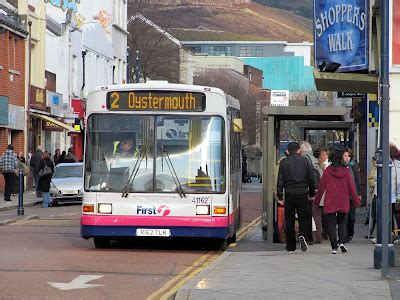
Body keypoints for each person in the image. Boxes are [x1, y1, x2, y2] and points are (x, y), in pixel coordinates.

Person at [314, 149, 361, 254]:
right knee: (342, 223)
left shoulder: (327, 171)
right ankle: (342, 242)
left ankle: (334, 247)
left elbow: (321, 188)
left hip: (331, 200)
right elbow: (352, 188)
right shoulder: (346, 171)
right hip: (343, 200)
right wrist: (356, 201)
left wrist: (317, 201)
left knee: (331, 224)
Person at [277, 142, 315, 253]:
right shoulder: (305, 161)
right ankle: (302, 235)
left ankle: (290, 247)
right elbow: (311, 179)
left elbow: (280, 181)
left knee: (289, 220)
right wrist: (311, 194)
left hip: (289, 193)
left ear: (288, 151)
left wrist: (280, 196)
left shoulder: (284, 162)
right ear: (299, 150)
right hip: (303, 192)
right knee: (304, 217)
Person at [300, 141, 319, 244]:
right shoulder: (315, 160)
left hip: (307, 190)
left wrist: (310, 193)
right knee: (313, 215)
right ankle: (314, 237)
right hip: (316, 189)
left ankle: (308, 237)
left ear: (303, 150)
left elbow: (309, 178)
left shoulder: (305, 160)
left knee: (307, 215)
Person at [342, 148, 362, 243]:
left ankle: (350, 233)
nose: (347, 158)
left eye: (348, 156)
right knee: (344, 216)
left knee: (351, 217)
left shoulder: (353, 166)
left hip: (353, 194)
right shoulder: (340, 166)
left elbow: (357, 180)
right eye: (345, 156)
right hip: (343, 194)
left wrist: (359, 193)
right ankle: (344, 235)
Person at [312, 147, 330, 243]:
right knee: (318, 214)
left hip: (328, 192)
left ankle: (326, 233)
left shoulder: (330, 166)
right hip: (319, 192)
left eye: (325, 154)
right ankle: (319, 235)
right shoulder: (316, 166)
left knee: (326, 214)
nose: (324, 156)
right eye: (322, 154)